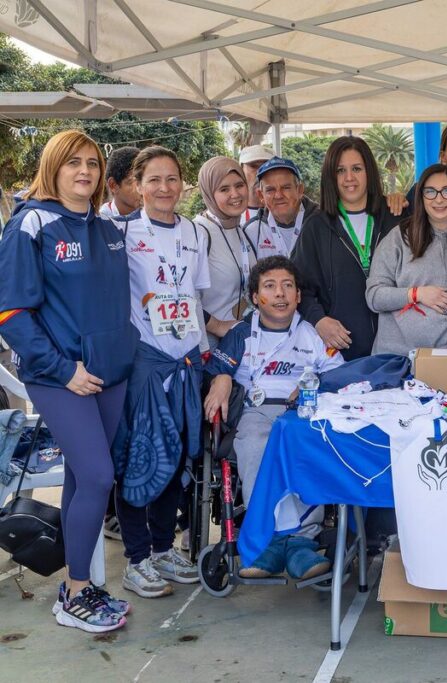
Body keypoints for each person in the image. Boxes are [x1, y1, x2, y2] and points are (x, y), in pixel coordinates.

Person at [0, 130, 137, 632]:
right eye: (73, 162)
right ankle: (75, 592)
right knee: (99, 477)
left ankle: (83, 587)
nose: (85, 171)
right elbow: (12, 313)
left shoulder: (105, 228)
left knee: (87, 477)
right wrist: (64, 370)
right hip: (61, 377)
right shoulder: (31, 223)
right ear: (52, 167)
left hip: (110, 373)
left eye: (93, 163)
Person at [204, 256, 344, 580]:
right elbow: (217, 367)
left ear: (298, 296)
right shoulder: (242, 334)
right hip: (256, 410)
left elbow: (340, 374)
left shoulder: (312, 334)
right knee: (255, 445)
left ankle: (300, 542)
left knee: (302, 449)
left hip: (303, 410)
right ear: (255, 297)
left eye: (287, 287)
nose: (279, 294)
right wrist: (222, 377)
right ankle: (269, 539)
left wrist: (316, 385)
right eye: (269, 287)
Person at [110, 146, 207, 598]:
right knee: (140, 459)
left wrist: (206, 355)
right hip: (146, 361)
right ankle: (136, 559)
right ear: (137, 185)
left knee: (175, 462)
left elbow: (196, 298)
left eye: (172, 179)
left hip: (186, 360)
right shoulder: (122, 232)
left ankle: (164, 548)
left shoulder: (192, 231)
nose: (164, 188)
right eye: (154, 180)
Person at [292, 136, 401, 360]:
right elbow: (298, 286)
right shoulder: (316, 226)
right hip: (343, 353)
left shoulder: (395, 217)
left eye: (357, 169)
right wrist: (319, 320)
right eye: (340, 170)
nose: (349, 178)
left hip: (396, 351)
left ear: (369, 172)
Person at [367, 164, 447, 355]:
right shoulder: (400, 237)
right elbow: (374, 296)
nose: (439, 199)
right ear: (421, 197)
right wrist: (416, 294)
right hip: (396, 359)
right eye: (430, 191)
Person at [194, 157, 253, 348]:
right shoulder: (199, 233)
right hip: (211, 345)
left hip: (241, 340)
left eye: (239, 185)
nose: (235, 194)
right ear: (210, 193)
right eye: (224, 189)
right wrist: (217, 325)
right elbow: (184, 296)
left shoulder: (240, 229)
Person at [243, 156, 319, 259]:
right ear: (261, 195)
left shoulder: (323, 223)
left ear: (299, 190)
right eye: (270, 190)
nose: (278, 195)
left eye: (286, 188)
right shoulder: (251, 230)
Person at [99, 146, 141, 219]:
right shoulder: (102, 222)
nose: (142, 188)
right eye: (134, 181)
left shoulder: (156, 215)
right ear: (113, 185)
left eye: (147, 180)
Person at [238, 144, 274, 224]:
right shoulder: (231, 216)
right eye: (253, 166)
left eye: (267, 166)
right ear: (241, 170)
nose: (260, 172)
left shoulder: (287, 212)